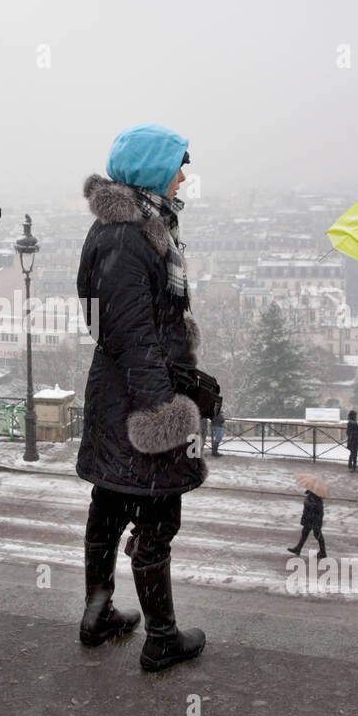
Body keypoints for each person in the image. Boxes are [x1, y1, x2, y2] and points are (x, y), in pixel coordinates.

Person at [76, 124, 216, 673]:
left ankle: (98, 610)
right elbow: (135, 333)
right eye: (179, 164)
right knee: (158, 514)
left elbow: (100, 321)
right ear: (155, 171)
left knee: (109, 502)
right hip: (142, 398)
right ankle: (161, 636)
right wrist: (166, 411)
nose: (185, 174)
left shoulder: (114, 230)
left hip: (115, 390)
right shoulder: (131, 238)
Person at [288, 490, 326, 559]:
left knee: (317, 534)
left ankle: (323, 552)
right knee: (305, 532)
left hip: (314, 519)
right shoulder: (312, 495)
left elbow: (314, 507)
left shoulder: (316, 497)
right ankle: (298, 548)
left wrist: (308, 503)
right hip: (310, 518)